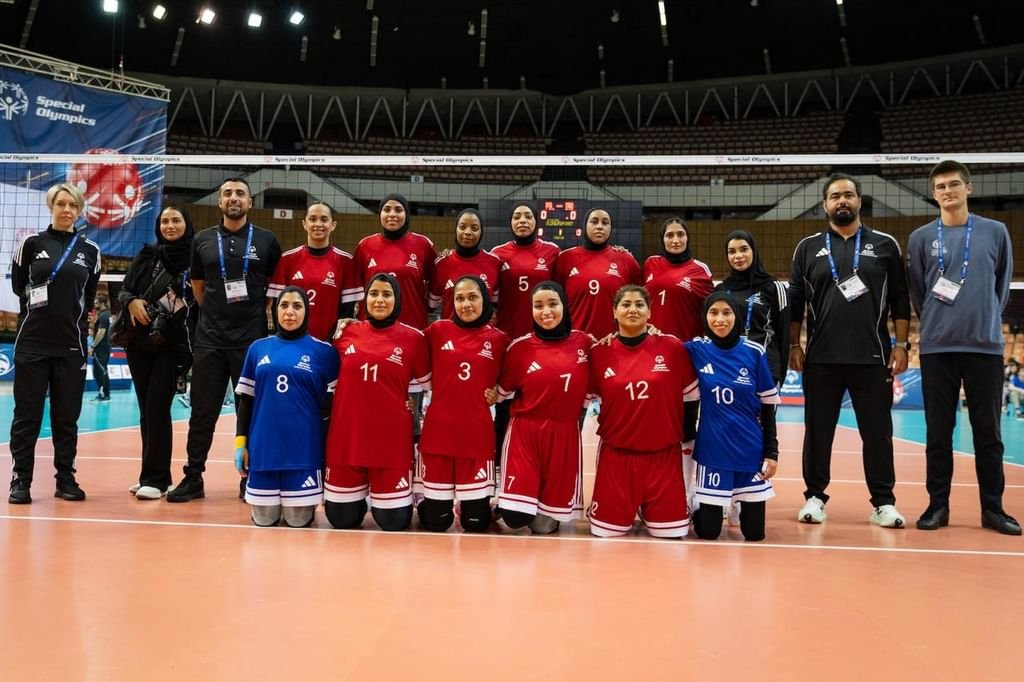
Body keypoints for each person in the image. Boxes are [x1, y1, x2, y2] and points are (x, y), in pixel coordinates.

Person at [788, 173, 911, 528]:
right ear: (824, 204)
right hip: (821, 358)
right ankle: (814, 497)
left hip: (872, 357)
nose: (842, 201)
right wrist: (795, 345)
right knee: (817, 433)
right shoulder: (807, 248)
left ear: (859, 200)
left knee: (878, 434)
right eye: (835, 196)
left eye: (848, 195)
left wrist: (902, 345)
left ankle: (883, 502)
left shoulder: (885, 244)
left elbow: (900, 298)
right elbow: (795, 304)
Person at [907, 160, 1020, 535]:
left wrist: (983, 318)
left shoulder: (995, 231)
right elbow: (919, 292)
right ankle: (937, 506)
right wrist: (939, 321)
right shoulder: (921, 238)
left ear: (968, 188)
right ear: (933, 193)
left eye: (954, 184)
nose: (947, 191)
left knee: (988, 434)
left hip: (984, 347)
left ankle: (993, 509)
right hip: (937, 347)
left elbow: (1002, 286)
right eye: (940, 186)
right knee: (938, 433)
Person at [168, 177, 282, 503]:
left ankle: (251, 478)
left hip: (251, 342)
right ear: (220, 201)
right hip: (210, 340)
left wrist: (250, 315)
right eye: (228, 193)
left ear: (250, 201)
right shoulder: (203, 240)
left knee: (252, 413)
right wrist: (218, 314)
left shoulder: (267, 240)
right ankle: (193, 477)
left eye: (240, 193)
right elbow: (198, 287)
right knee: (202, 413)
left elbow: (272, 288)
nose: (234, 198)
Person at [8, 182, 100, 504]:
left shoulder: (91, 251)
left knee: (66, 418)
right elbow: (19, 286)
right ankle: (21, 480)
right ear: (52, 207)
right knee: (27, 416)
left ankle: (65, 479)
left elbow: (88, 297)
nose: (66, 210)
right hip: (32, 343)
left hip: (71, 347)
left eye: (72, 205)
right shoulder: (31, 244)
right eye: (61, 204)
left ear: (79, 210)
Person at [587, 285, 698, 538]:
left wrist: (687, 438)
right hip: (617, 458)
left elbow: (692, 396)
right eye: (625, 304)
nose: (633, 310)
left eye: (639, 304)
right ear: (614, 311)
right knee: (606, 535)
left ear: (650, 312)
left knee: (670, 535)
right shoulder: (599, 352)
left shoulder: (672, 348)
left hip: (663, 457)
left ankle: (654, 505)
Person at [323, 274, 431, 531]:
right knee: (341, 520)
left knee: (394, 523)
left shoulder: (414, 338)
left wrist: (415, 409)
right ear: (365, 299)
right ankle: (359, 499)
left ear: (397, 299)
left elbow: (432, 385)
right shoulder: (344, 333)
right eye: (374, 294)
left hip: (391, 444)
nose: (379, 300)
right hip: (347, 441)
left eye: (386, 294)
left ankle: (384, 499)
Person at [234, 287, 338, 527]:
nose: (290, 312)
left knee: (297, 522)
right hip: (263, 451)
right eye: (284, 305)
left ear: (307, 311)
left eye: (297, 306)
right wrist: (240, 444)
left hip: (304, 453)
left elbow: (335, 404)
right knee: (264, 520)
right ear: (275, 310)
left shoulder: (324, 352)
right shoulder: (257, 348)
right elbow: (246, 400)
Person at [495, 281, 592, 534]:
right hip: (525, 433)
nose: (546, 311)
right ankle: (501, 502)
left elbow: (616, 350)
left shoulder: (586, 344)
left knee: (543, 528)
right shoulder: (519, 348)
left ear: (564, 306)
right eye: (538, 306)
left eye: (552, 304)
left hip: (564, 434)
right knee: (515, 518)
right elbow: (500, 393)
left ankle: (533, 503)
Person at [685, 292, 781, 541]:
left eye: (726, 312)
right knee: (708, 532)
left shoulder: (753, 352)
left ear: (737, 316)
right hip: (713, 450)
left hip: (749, 449)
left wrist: (772, 453)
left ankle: (734, 505)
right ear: (705, 317)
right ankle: (697, 502)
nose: (720, 319)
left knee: (754, 534)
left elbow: (768, 406)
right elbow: (661, 349)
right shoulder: (697, 349)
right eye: (713, 312)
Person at [418, 276, 509, 532]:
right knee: (437, 523)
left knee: (476, 524)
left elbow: (513, 376)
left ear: (484, 300)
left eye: (472, 297)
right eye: (459, 298)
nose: (466, 304)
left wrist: (498, 393)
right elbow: (401, 344)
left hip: (476, 437)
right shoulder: (437, 331)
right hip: (439, 434)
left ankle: (471, 505)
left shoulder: (500, 340)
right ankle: (429, 502)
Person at [120, 205, 196, 500]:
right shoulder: (147, 255)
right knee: (146, 410)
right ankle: (154, 475)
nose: (170, 226)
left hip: (173, 344)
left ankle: (156, 479)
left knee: (157, 408)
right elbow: (125, 289)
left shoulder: (195, 256)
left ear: (186, 224)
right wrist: (131, 302)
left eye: (176, 220)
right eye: (165, 221)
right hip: (139, 340)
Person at [489, 202, 560, 474]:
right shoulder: (498, 254)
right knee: (504, 405)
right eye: (517, 216)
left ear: (536, 221)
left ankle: (539, 461)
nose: (522, 220)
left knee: (540, 402)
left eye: (527, 216)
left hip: (541, 342)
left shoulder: (552, 252)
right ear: (510, 222)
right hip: (507, 343)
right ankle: (500, 464)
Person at [269, 201, 360, 341]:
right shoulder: (287, 259)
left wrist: (332, 340)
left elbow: (347, 311)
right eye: (312, 219)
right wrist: (285, 339)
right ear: (304, 224)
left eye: (324, 219)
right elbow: (277, 306)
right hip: (293, 342)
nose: (318, 224)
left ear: (333, 225)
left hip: (329, 343)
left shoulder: (346, 261)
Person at [715, 230, 789, 386]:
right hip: (729, 368)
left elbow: (783, 335)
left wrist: (779, 376)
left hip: (765, 369)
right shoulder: (721, 290)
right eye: (732, 251)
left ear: (753, 251)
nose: (738, 256)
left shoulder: (774, 287)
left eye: (744, 249)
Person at [554, 208, 641, 339]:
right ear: (585, 226)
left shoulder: (626, 260)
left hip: (614, 341)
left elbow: (640, 300)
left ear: (610, 228)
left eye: (605, 223)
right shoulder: (565, 258)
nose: (600, 226)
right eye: (594, 222)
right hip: (575, 342)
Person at [353, 193, 437, 330]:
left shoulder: (423, 244)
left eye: (398, 210)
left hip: (412, 327)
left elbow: (436, 282)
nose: (392, 214)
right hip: (371, 330)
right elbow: (355, 287)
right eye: (387, 210)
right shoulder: (365, 246)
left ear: (407, 214)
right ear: (380, 214)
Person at [643, 217, 714, 341]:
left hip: (685, 344)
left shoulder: (700, 270)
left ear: (687, 238)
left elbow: (713, 308)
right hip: (651, 344)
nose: (675, 240)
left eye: (680, 235)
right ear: (662, 239)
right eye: (669, 235)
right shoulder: (651, 263)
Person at [429, 208, 501, 320]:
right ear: (456, 229)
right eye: (462, 227)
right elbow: (431, 306)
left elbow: (495, 303)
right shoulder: (442, 263)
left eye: (474, 228)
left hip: (483, 331)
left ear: (481, 232)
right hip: (450, 330)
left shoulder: (494, 262)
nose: (467, 232)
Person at [90, 294, 112, 402]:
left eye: (96, 302)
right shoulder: (107, 314)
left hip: (101, 348)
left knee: (100, 371)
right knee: (101, 370)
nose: (94, 304)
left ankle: (104, 394)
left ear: (101, 303)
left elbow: (101, 332)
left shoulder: (104, 316)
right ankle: (104, 393)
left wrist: (92, 346)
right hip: (105, 347)